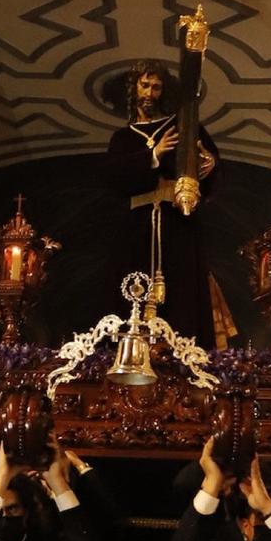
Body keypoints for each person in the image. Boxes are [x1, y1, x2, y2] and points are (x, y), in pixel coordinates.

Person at [102, 58, 223, 347]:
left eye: (156, 87)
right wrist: (153, 155)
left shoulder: (181, 124)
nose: (150, 93)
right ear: (135, 88)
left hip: (177, 222)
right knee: (131, 285)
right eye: (145, 85)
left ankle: (181, 351)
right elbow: (114, 177)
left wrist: (209, 164)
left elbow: (203, 161)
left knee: (182, 286)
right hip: (138, 226)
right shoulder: (122, 138)